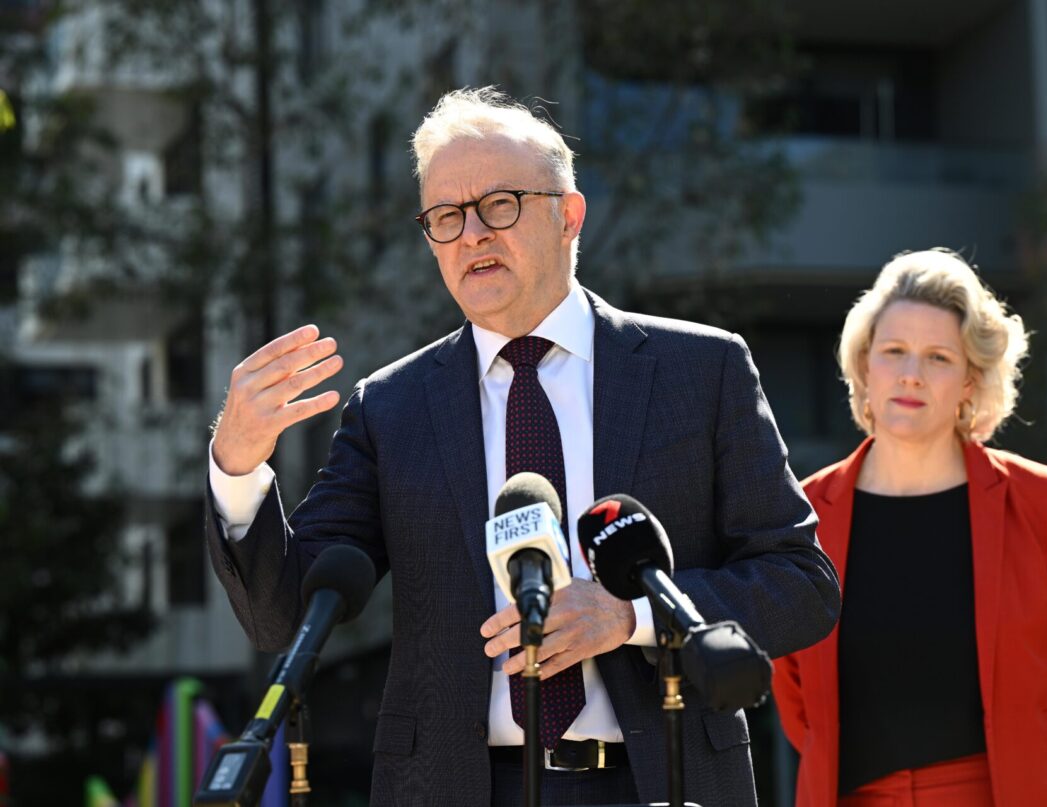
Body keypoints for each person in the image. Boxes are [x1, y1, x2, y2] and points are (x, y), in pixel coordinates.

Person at [205, 87, 841, 806]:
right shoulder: (392, 406)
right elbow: (285, 615)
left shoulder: (702, 371)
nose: (472, 234)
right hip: (455, 787)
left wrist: (629, 617)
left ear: (569, 216)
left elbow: (801, 585)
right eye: (446, 217)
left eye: (499, 204)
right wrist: (239, 467)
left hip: (662, 776)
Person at [771, 249, 1047, 806]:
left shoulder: (1045, 501)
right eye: (894, 352)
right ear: (864, 367)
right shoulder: (803, 512)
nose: (911, 374)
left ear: (971, 383)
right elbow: (796, 697)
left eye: (938, 358)